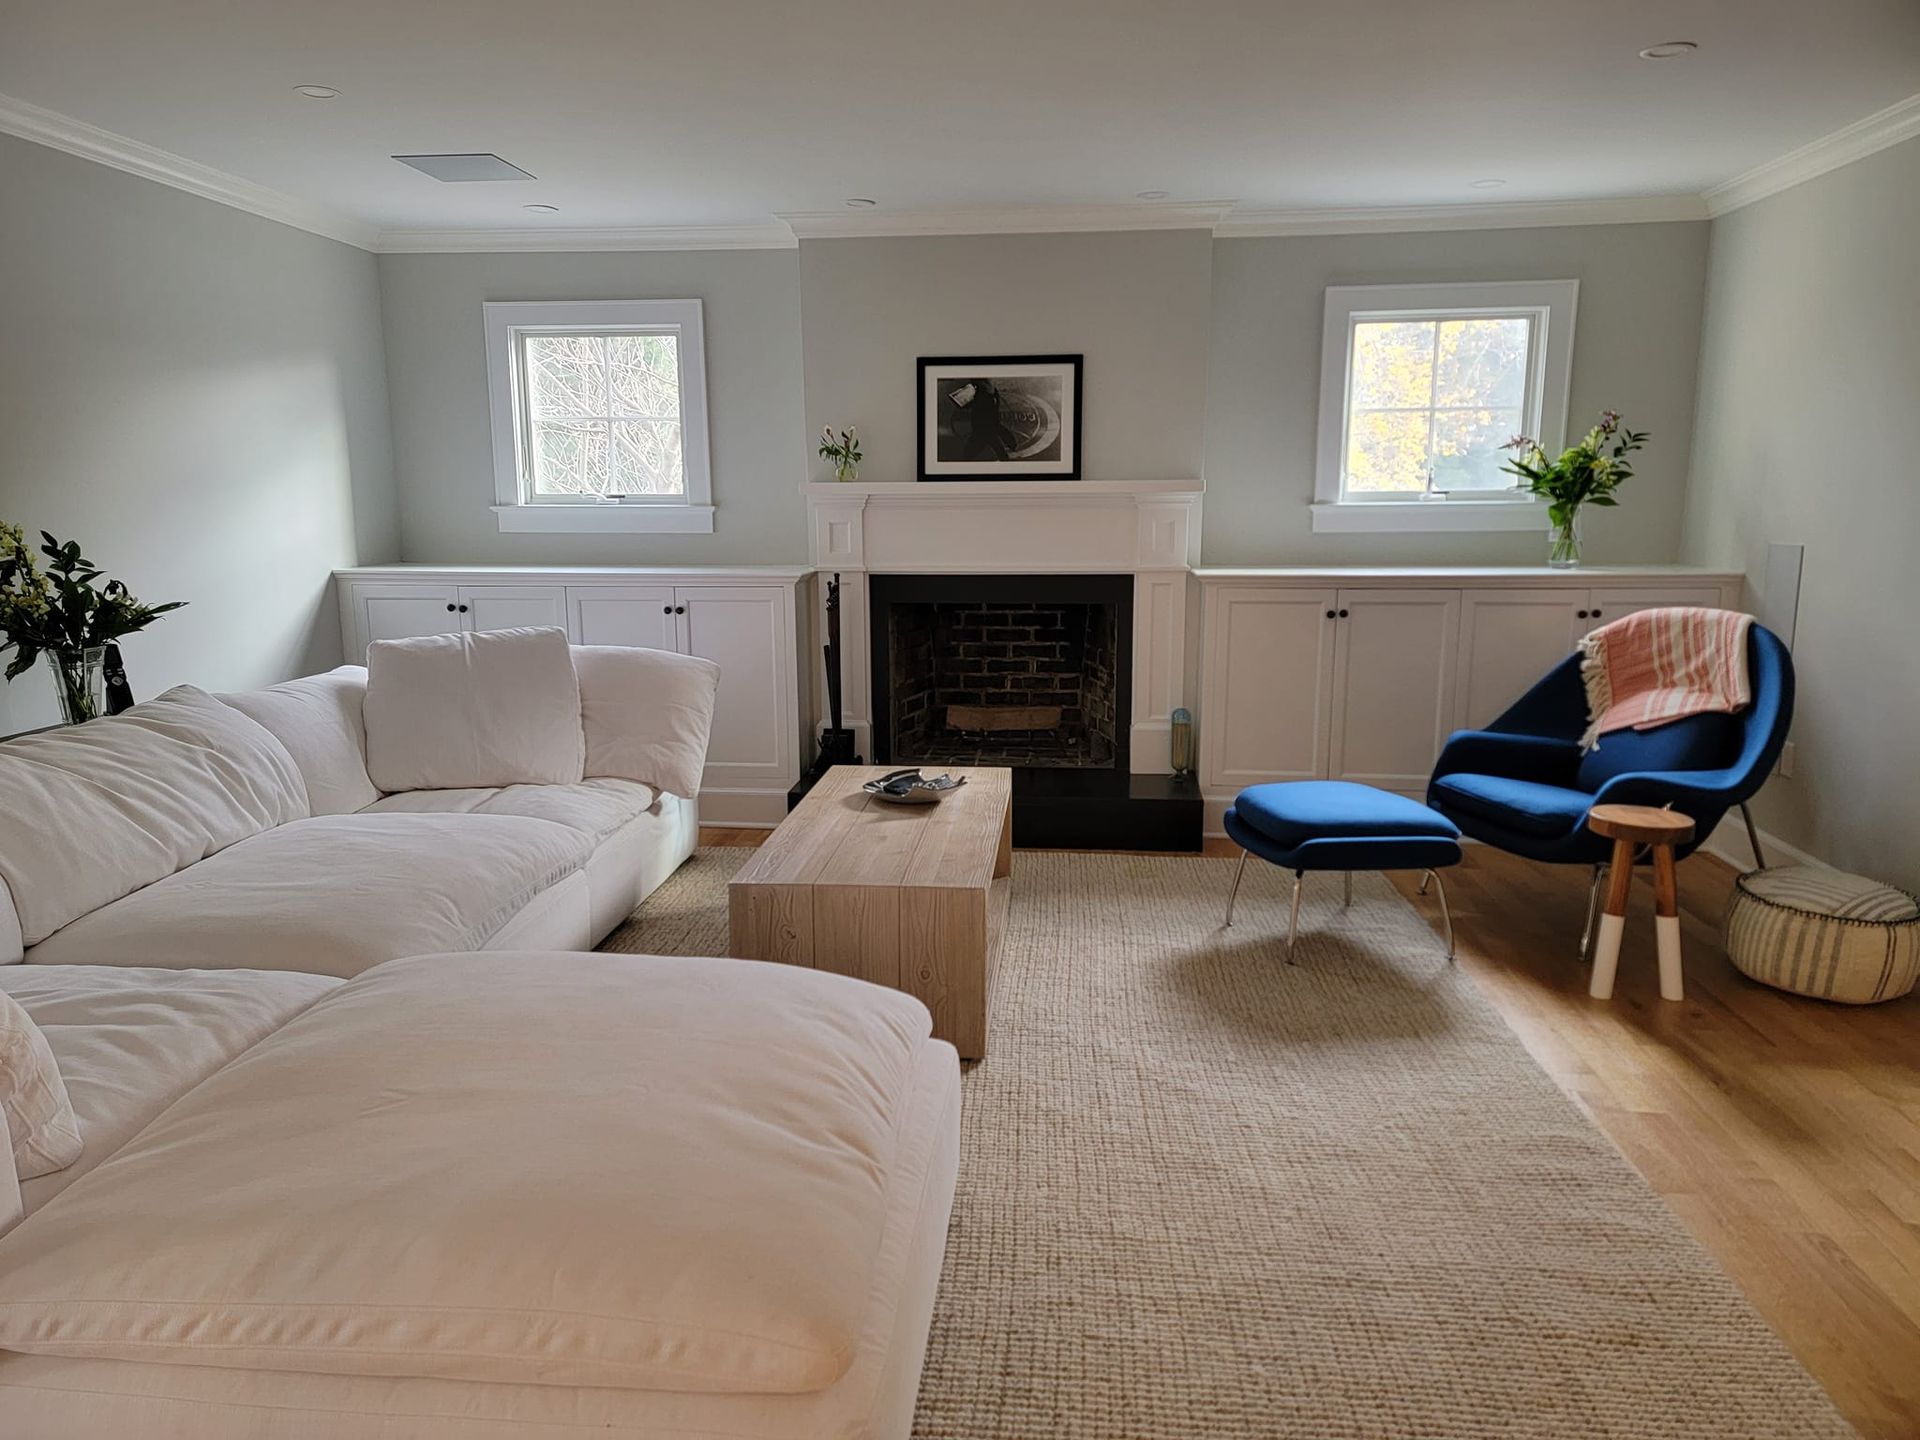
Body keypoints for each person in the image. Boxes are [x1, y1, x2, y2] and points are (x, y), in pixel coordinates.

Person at [953, 379, 1014, 461]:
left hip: (982, 429)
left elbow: (967, 405)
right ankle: (1011, 445)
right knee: (997, 445)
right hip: (990, 425)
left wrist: (962, 400)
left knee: (971, 450)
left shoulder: (980, 396)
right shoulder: (993, 392)